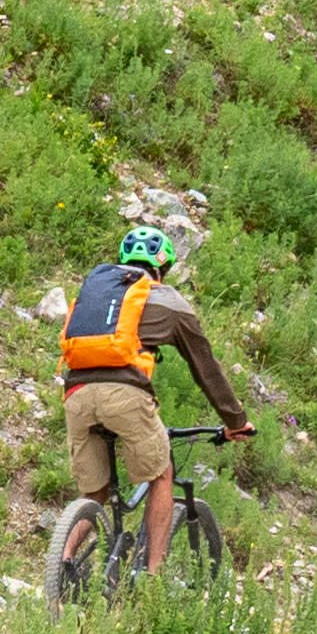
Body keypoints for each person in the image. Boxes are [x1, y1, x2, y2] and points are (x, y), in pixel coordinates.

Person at [62, 218, 252, 571]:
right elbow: (205, 366)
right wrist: (235, 421)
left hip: (75, 393)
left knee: (94, 493)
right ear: (162, 266)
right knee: (161, 473)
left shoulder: (97, 293)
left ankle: (62, 563)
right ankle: (152, 576)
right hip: (125, 396)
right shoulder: (166, 299)